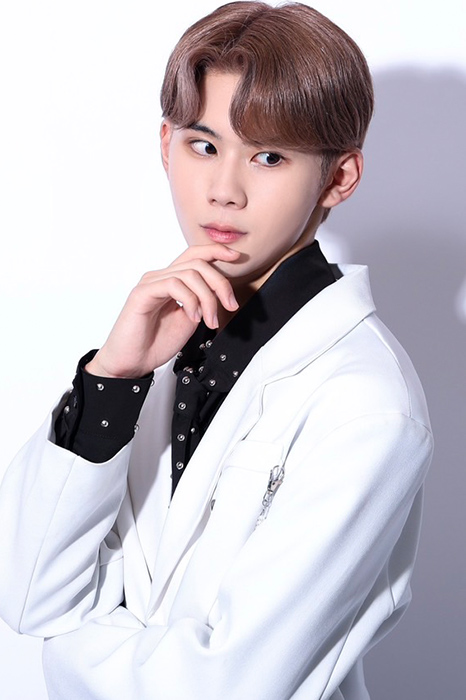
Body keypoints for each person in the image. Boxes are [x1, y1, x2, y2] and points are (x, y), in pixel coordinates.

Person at [0, 2, 433, 699]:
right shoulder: (160, 343)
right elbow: (27, 597)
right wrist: (115, 376)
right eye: (203, 146)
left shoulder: (366, 405)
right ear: (165, 144)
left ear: (339, 178)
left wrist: (68, 652)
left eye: (269, 157)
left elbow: (222, 686)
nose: (223, 192)